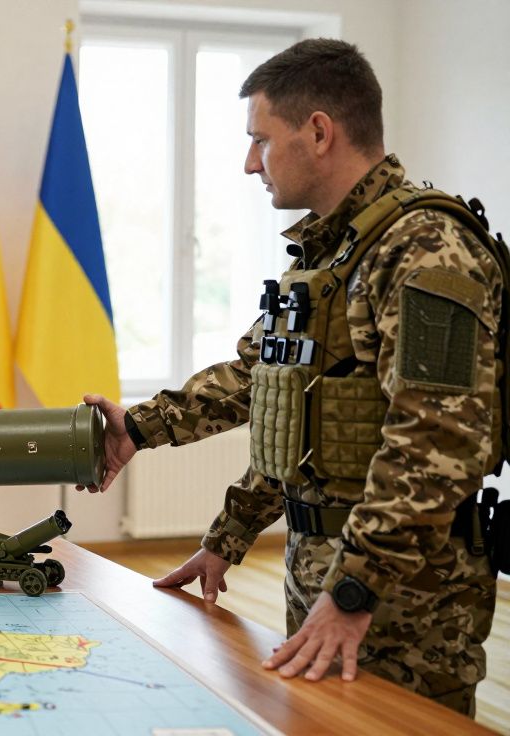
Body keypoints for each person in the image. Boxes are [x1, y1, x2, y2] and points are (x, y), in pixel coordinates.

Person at [84, 39, 500, 716]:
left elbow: (436, 446)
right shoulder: (331, 252)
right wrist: (143, 435)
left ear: (318, 132)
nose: (250, 163)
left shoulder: (424, 249)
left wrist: (354, 593)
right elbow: (277, 392)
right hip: (325, 577)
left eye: (260, 140)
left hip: (405, 598)